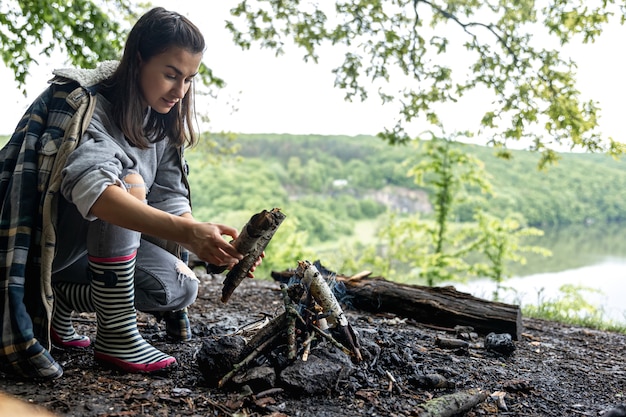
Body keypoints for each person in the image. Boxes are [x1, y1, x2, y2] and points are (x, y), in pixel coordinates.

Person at [0, 7, 259, 378]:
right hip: (48, 249)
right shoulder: (90, 107)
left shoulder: (161, 119)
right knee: (129, 185)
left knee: (180, 288)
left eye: (188, 79)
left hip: (85, 261)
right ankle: (117, 334)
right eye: (171, 75)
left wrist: (207, 240)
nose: (180, 90)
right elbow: (96, 191)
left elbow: (169, 197)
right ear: (137, 60)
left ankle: (55, 305)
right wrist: (186, 232)